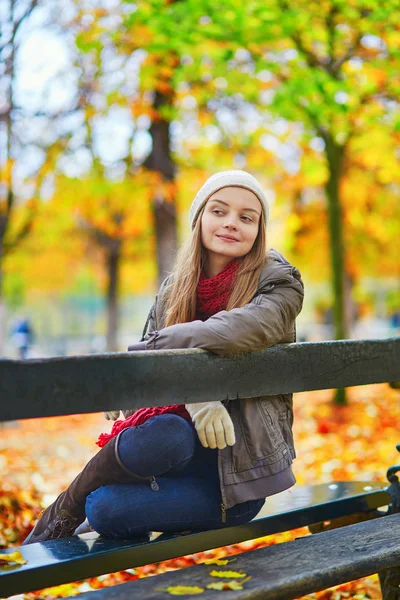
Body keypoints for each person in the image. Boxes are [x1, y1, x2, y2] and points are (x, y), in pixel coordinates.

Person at [23, 170, 304, 544]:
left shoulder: (279, 281)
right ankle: (72, 500)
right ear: (200, 217)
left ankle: (73, 502)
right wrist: (196, 395)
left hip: (236, 484)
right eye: (219, 211)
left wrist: (152, 350)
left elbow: (243, 328)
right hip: (175, 454)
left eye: (246, 217)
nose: (231, 223)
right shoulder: (175, 288)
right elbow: (150, 382)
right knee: (167, 435)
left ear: (259, 230)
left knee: (105, 509)